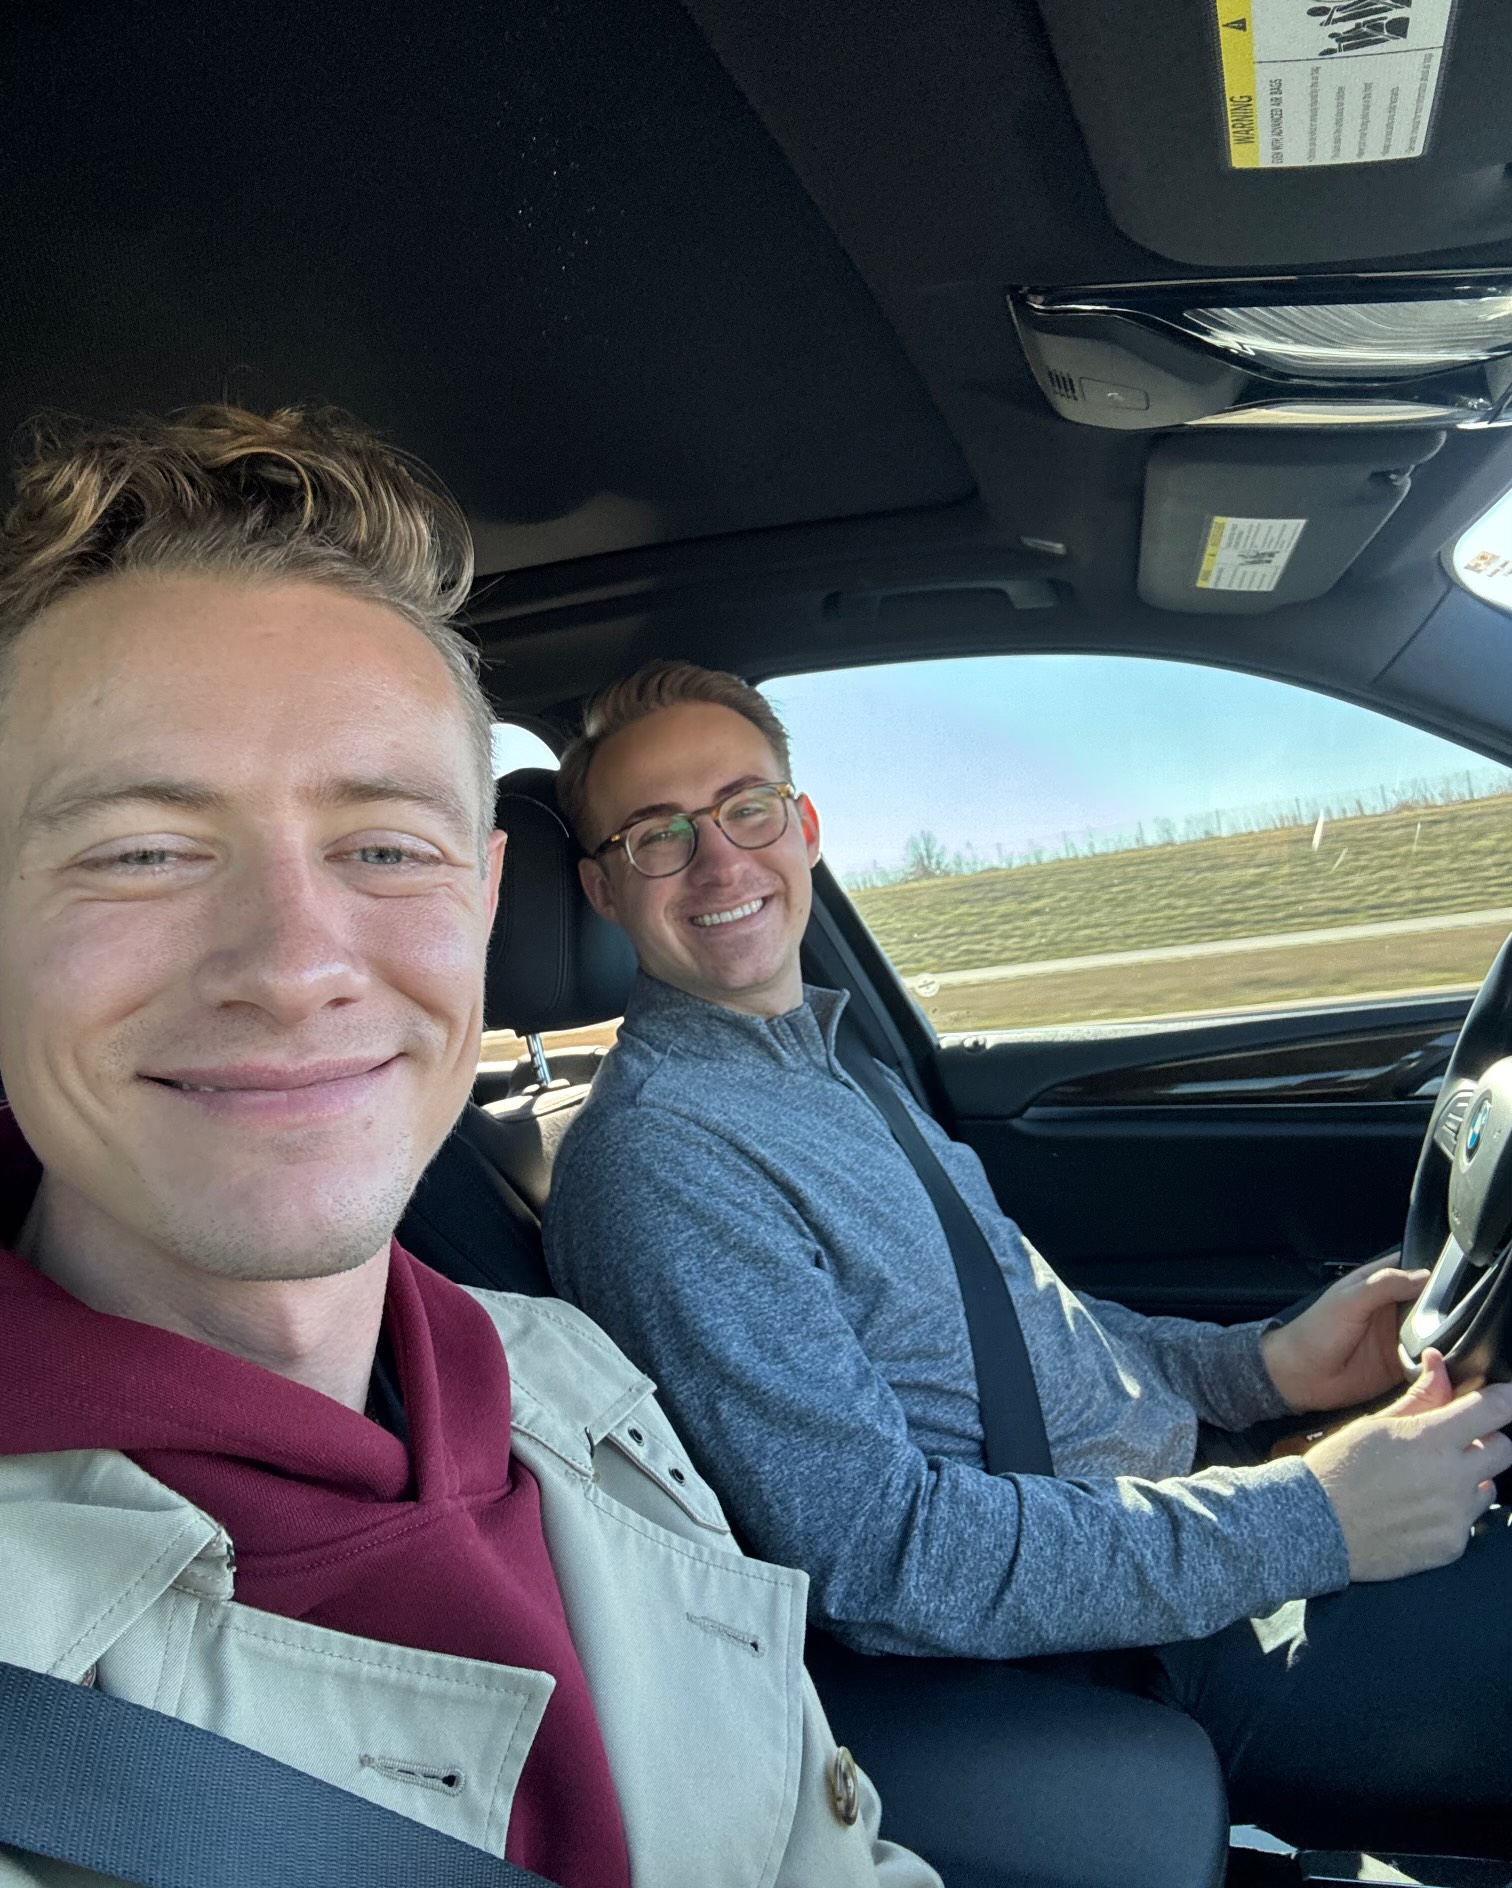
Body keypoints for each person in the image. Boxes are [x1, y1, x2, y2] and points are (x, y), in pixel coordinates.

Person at [0, 412, 938, 1888]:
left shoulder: (573, 1382)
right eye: (139, 848)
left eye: (385, 847)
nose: (295, 964)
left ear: (487, 903)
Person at [543, 657, 1512, 1857]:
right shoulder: (660, 1162)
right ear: (600, 888)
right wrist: (1313, 1517)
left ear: (804, 823)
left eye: (749, 808)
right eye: (658, 836)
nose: (724, 861)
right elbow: (884, 1558)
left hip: (1193, 1520)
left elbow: (1031, 1323)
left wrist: (1263, 1372)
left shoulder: (842, 1065)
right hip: (1128, 1640)